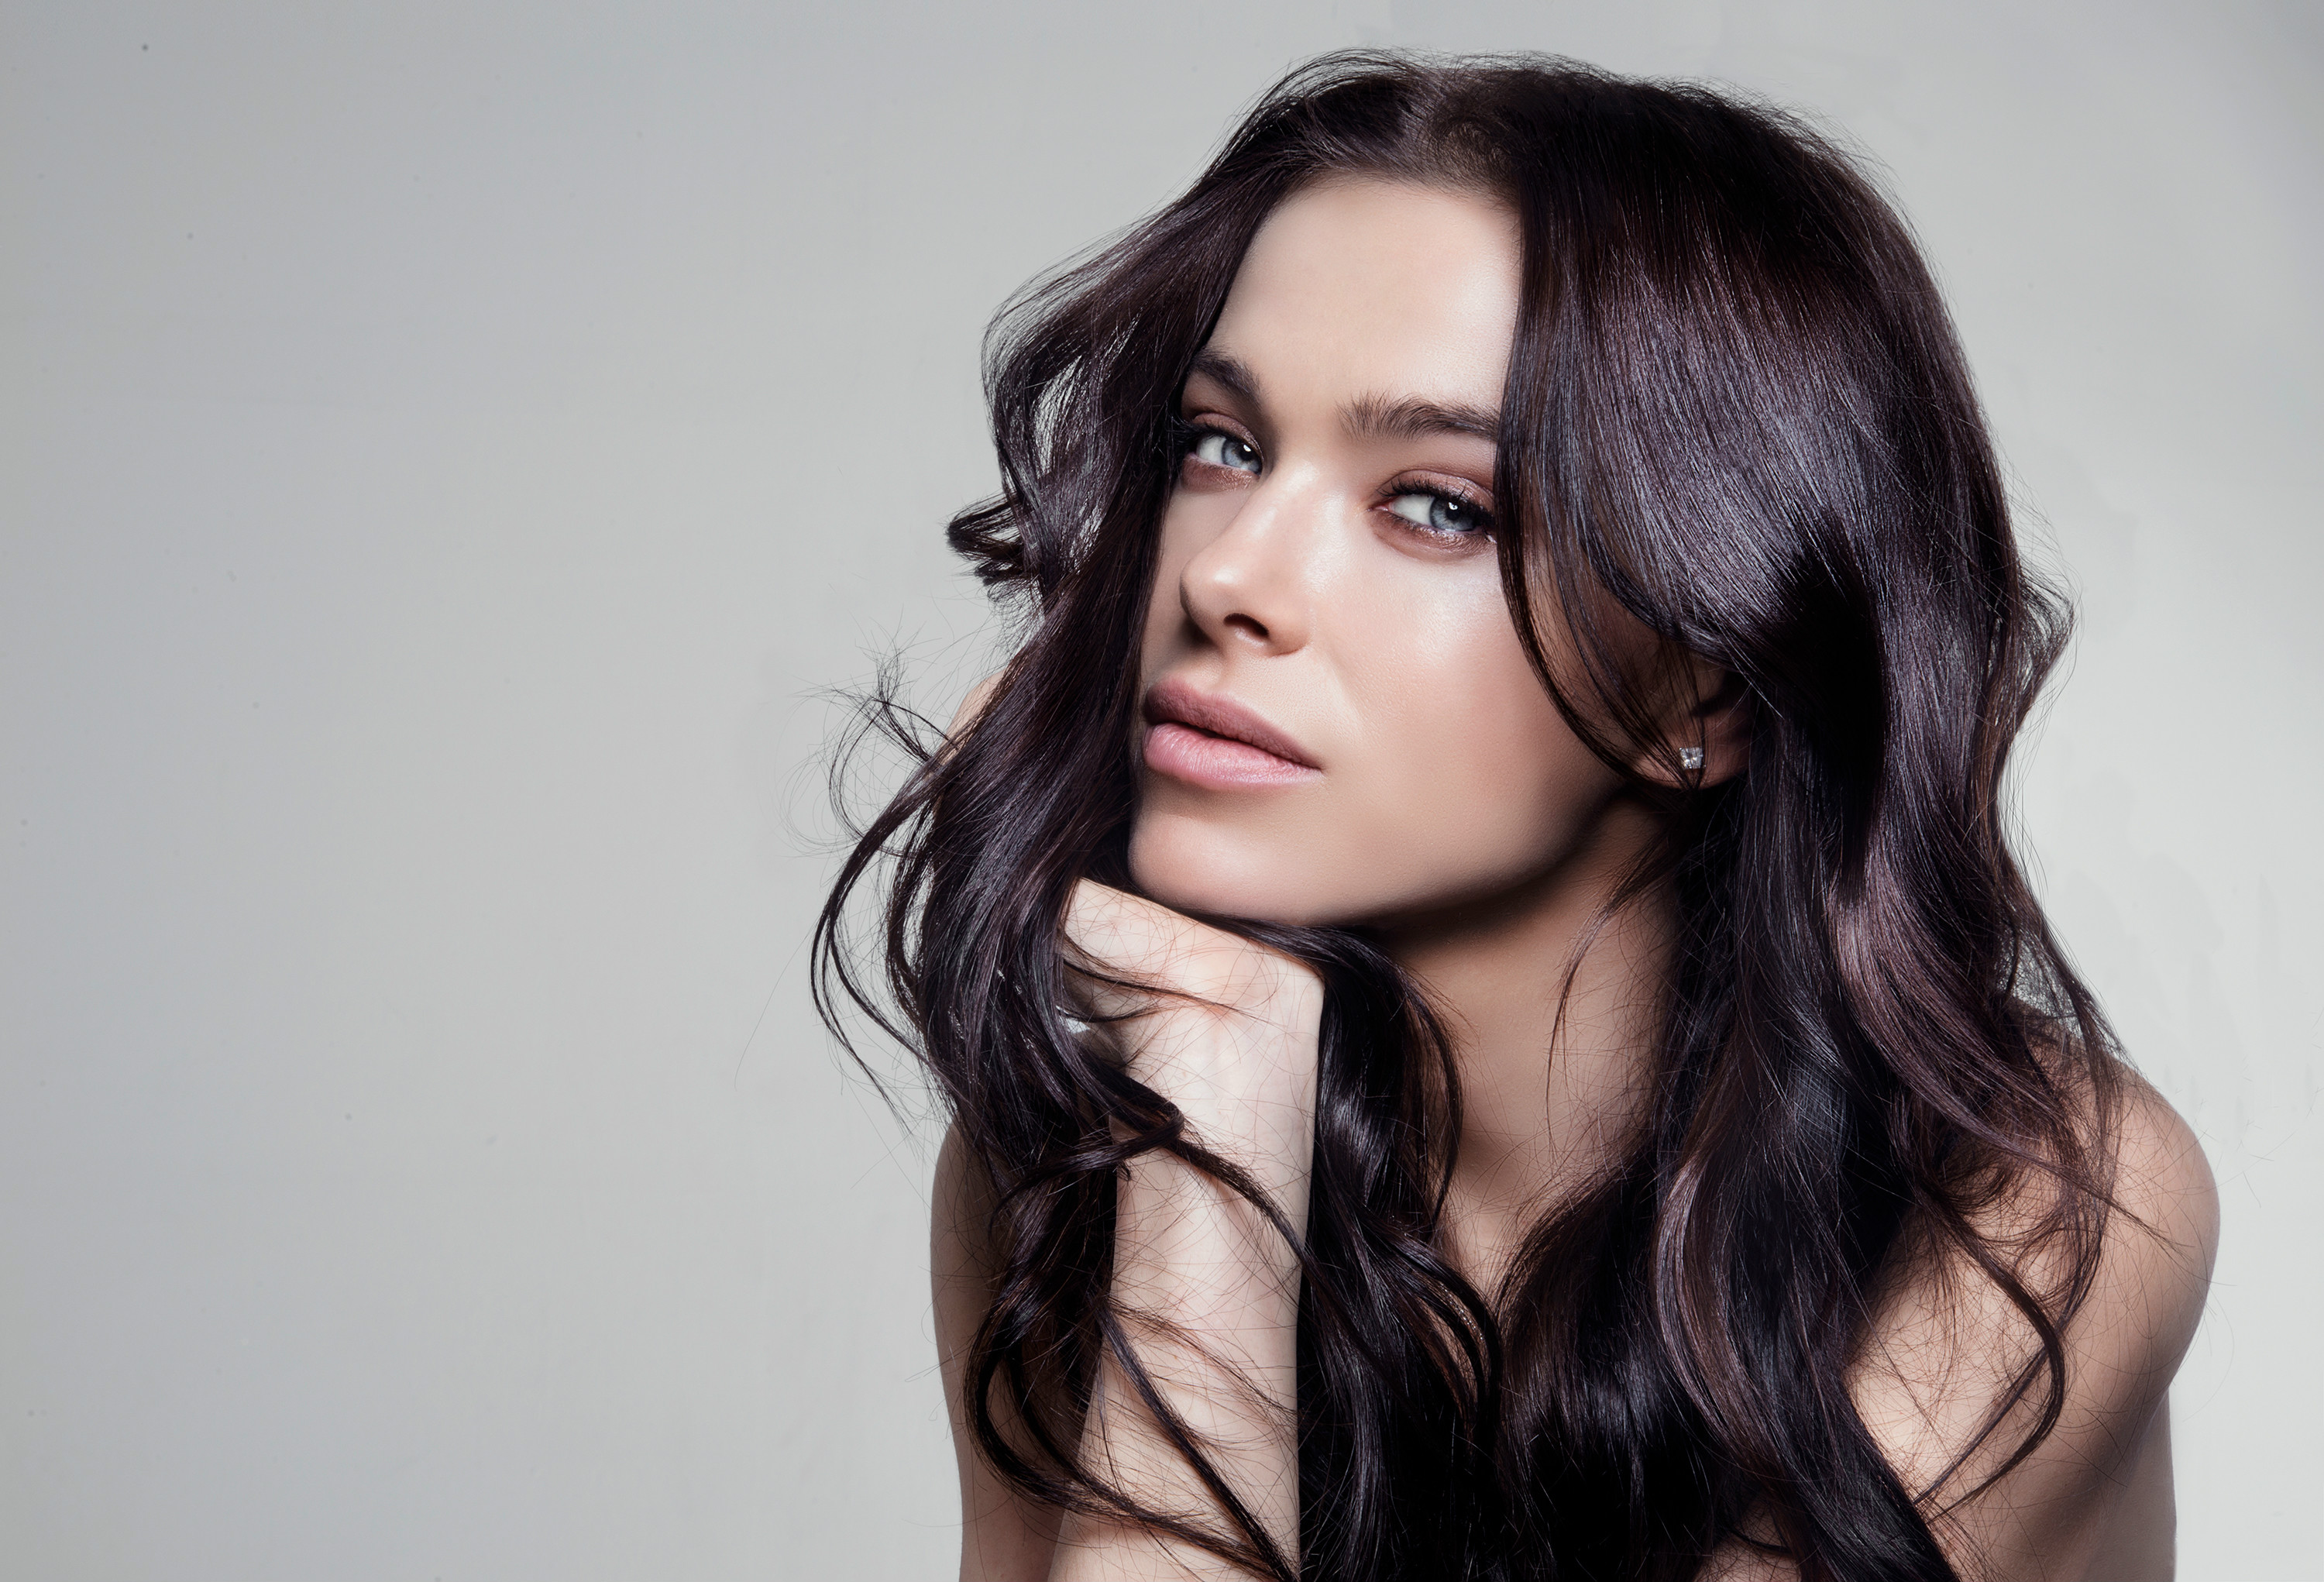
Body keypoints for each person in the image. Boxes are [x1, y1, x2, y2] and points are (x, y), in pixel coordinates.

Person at [816, 51, 2218, 1582]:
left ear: (1705, 688)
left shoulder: (2040, 1201)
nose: (1224, 576)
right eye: (1222, 445)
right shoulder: (1088, 1154)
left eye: (1438, 505)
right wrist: (1203, 1133)